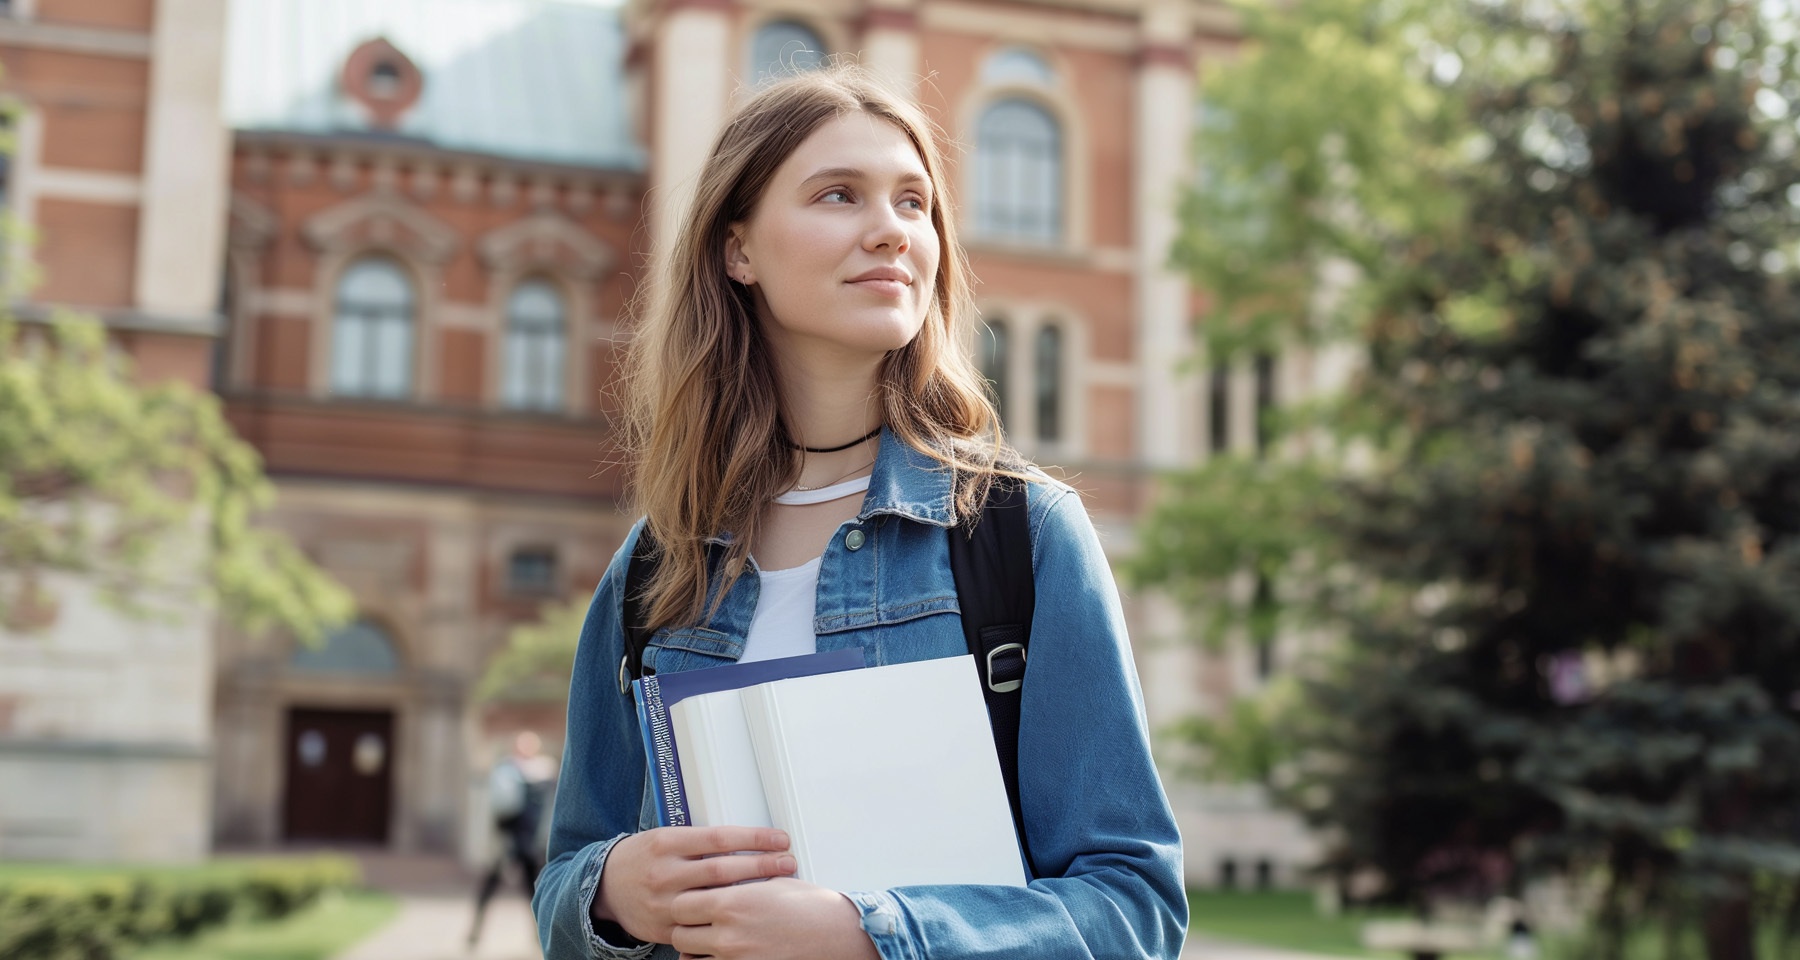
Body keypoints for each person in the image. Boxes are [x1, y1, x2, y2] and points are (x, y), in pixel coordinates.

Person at [533, 63, 1187, 960]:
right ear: (739, 251)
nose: (891, 230)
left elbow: (1134, 910)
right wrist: (610, 892)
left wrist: (871, 935)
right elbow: (566, 876)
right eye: (840, 194)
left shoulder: (1019, 533)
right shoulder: (658, 562)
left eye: (914, 203)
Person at [470, 730, 556, 948]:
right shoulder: (506, 770)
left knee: (534, 891)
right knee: (490, 886)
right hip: (508, 840)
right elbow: (502, 806)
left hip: (532, 842)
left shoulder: (545, 771)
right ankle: (475, 931)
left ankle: (540, 936)